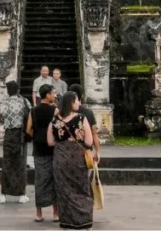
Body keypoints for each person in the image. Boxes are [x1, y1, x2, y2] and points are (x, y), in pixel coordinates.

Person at [48, 91, 94, 230]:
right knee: (82, 189)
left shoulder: (55, 120)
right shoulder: (81, 118)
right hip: (78, 159)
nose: (79, 103)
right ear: (70, 103)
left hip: (61, 159)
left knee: (64, 191)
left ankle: (67, 223)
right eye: (76, 101)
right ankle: (84, 222)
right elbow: (89, 141)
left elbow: (50, 142)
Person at [27, 84, 59, 223]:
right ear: (48, 95)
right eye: (53, 93)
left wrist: (37, 136)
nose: (55, 95)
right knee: (54, 179)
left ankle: (39, 212)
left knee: (40, 180)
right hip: (53, 148)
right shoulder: (55, 110)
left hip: (39, 148)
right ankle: (55, 212)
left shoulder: (33, 110)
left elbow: (28, 129)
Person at [0, 80, 31, 205]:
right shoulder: (24, 101)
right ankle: (21, 194)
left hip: (9, 134)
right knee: (20, 163)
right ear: (18, 90)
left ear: (8, 91)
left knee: (7, 162)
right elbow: (30, 116)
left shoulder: (3, 103)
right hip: (20, 134)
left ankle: (3, 194)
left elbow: (1, 120)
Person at [70, 84, 101, 165]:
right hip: (85, 151)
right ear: (82, 96)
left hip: (67, 151)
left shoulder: (62, 112)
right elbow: (94, 133)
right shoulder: (88, 112)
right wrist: (97, 151)